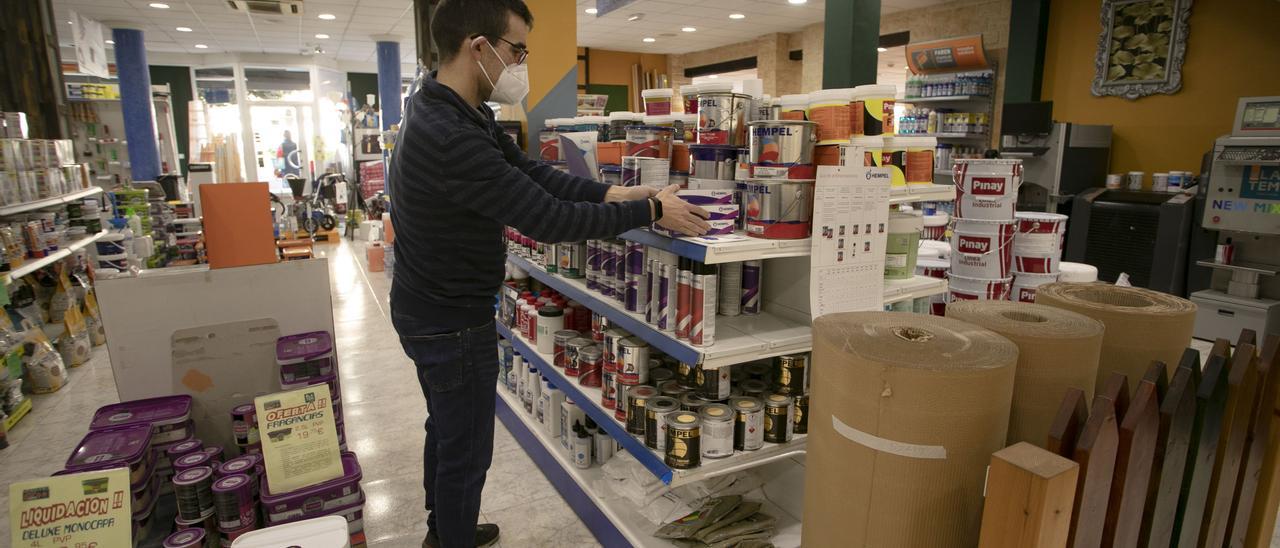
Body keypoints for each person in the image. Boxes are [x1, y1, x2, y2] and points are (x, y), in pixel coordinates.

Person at [386, 1, 710, 547]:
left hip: (429, 306)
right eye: (518, 49)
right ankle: (452, 538)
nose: (522, 63)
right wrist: (650, 211)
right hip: (448, 319)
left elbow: (530, 173)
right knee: (465, 448)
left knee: (446, 431)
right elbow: (547, 218)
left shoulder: (448, 105)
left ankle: (445, 530)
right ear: (478, 47)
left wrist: (614, 191)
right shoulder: (450, 135)